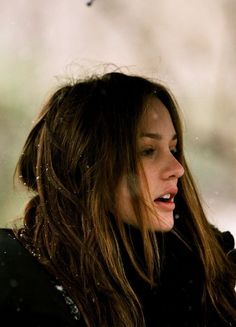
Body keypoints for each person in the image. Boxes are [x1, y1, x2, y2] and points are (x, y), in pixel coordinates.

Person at [0, 71, 235, 327]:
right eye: (148, 150)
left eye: (173, 148)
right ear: (88, 168)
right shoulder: (22, 285)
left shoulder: (204, 280)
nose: (177, 168)